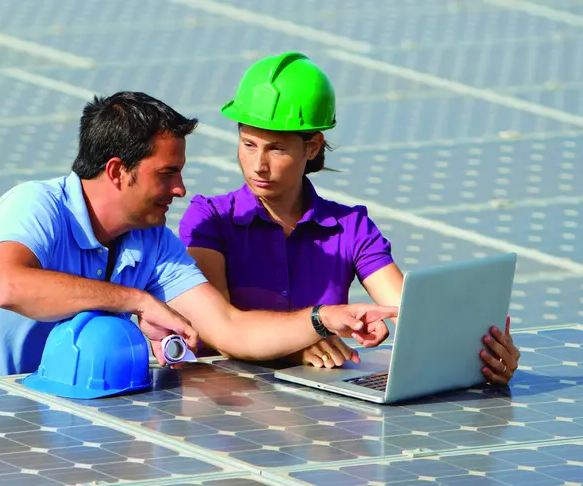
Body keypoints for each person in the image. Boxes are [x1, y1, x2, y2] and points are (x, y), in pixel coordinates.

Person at [0, 91, 399, 383]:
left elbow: (231, 329)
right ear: (118, 171)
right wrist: (133, 300)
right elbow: (13, 287)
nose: (181, 189)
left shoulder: (155, 243)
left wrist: (321, 318)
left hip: (24, 432)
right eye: (167, 174)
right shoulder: (34, 206)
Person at [178, 52, 520, 386]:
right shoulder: (209, 219)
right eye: (248, 144)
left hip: (321, 423)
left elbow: (414, 316)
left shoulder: (351, 228)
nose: (258, 165)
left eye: (276, 148)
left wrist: (483, 359)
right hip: (229, 402)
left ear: (312, 147)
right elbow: (219, 330)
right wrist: (299, 347)